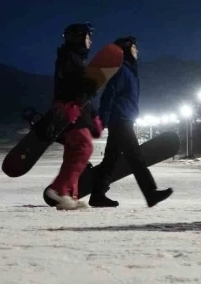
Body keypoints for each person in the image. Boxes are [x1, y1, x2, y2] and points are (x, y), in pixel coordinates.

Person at [90, 36, 173, 208]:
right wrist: (103, 118)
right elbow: (108, 95)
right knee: (135, 157)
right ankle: (150, 193)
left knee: (111, 159)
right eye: (135, 47)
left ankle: (97, 194)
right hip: (121, 119)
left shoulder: (130, 72)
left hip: (124, 118)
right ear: (127, 50)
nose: (138, 51)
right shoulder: (122, 71)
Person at [45, 23, 103, 210]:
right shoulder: (69, 59)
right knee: (82, 148)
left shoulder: (73, 58)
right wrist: (88, 85)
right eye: (87, 37)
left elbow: (83, 91)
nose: (90, 41)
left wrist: (93, 115)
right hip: (72, 112)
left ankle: (69, 196)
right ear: (78, 38)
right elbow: (76, 87)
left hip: (76, 112)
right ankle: (60, 190)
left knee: (73, 155)